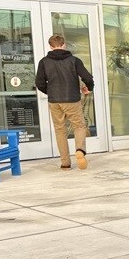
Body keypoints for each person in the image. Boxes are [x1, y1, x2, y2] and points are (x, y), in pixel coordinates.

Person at [35, 34, 95, 170]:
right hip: (72, 99)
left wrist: (50, 92)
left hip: (54, 101)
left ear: (50, 46)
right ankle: (80, 150)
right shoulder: (74, 60)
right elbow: (88, 77)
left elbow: (39, 83)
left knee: (60, 130)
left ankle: (65, 163)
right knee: (79, 126)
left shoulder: (44, 62)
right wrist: (88, 88)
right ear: (64, 45)